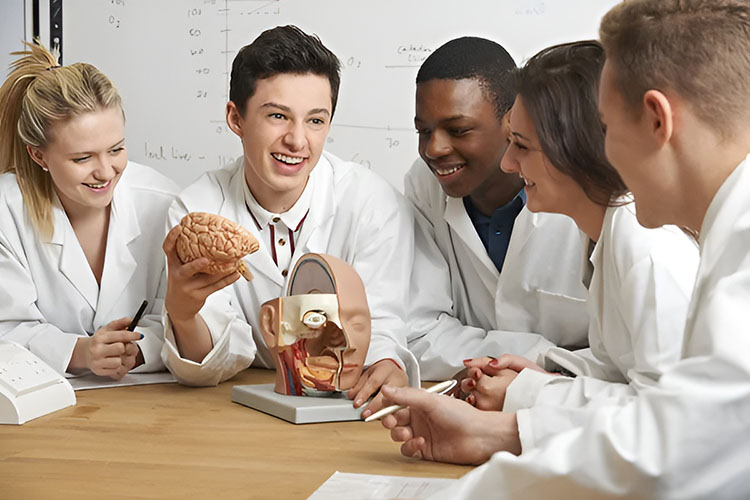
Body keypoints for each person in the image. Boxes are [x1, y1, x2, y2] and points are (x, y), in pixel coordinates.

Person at [381, 1, 750, 497]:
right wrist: (529, 395)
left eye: (606, 126)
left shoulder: (670, 245)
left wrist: (487, 457)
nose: (511, 164)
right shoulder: (718, 232)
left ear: (656, 120)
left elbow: (669, 445)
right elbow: (647, 398)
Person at [161, 25, 417, 416]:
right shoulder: (197, 208)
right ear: (236, 118)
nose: (298, 141)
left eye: (315, 121)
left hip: (345, 412)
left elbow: (381, 323)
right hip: (240, 414)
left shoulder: (370, 202)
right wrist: (182, 313)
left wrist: (385, 361)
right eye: (278, 116)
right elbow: (214, 361)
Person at [460, 40, 698, 416]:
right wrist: (542, 374)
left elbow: (665, 414)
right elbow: (623, 372)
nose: (507, 163)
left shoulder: (644, 244)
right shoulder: (609, 231)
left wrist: (529, 394)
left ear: (575, 147)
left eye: (521, 146)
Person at [405, 37, 590, 380]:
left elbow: (622, 356)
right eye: (423, 131)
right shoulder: (424, 185)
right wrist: (544, 357)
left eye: (458, 130)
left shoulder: (583, 195)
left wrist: (543, 372)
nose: (434, 148)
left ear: (512, 121)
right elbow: (419, 336)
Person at [0, 42, 176, 379]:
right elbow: (5, 329)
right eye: (83, 158)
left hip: (147, 399)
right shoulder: (7, 212)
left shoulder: (163, 201)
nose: (106, 171)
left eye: (116, 149)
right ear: (39, 156)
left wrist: (139, 349)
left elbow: (180, 315)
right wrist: (80, 352)